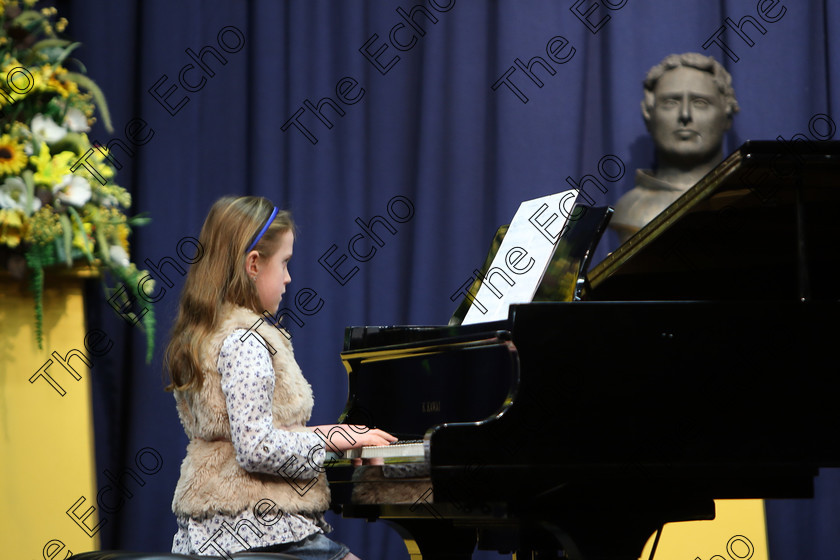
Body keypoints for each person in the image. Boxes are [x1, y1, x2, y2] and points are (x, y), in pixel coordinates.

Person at [164, 196, 396, 559]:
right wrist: (333, 438)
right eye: (284, 263)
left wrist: (337, 439)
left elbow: (251, 434)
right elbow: (255, 447)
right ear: (253, 264)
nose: (289, 277)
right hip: (256, 529)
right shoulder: (245, 341)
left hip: (215, 530)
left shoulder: (208, 333)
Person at [611, 52, 740, 244]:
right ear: (648, 114)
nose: (685, 114)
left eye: (700, 103)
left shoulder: (745, 201)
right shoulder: (630, 209)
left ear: (727, 115)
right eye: (671, 102)